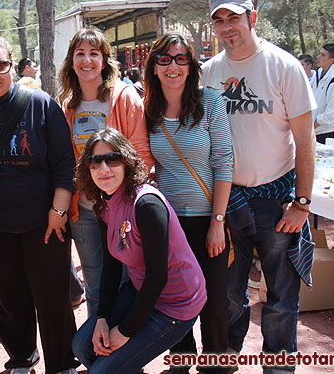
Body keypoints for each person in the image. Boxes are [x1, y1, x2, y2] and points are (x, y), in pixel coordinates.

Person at [200, 0, 316, 372]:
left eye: (233, 18)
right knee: (229, 294)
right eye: (219, 20)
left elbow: (305, 141)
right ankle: (226, 358)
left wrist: (302, 204)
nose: (226, 27)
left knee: (281, 296)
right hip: (227, 201)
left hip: (276, 202)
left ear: (252, 17)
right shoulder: (210, 72)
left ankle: (278, 366)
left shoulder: (283, 67)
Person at [0, 34, 78, 374]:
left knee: (53, 297)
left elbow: (64, 164)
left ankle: (63, 363)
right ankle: (22, 358)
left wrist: (58, 213)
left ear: (12, 64)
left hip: (45, 221)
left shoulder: (41, 104)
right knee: (7, 299)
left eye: (1, 65)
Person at [71, 128, 206, 373]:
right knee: (82, 347)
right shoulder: (103, 205)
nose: (104, 169)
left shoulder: (146, 204)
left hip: (175, 304)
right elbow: (111, 266)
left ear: (127, 162)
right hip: (141, 290)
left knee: (102, 370)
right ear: (87, 169)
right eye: (95, 161)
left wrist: (125, 331)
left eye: (112, 159)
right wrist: (102, 318)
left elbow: (158, 276)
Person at [144, 32, 233, 373]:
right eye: (164, 59)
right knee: (175, 297)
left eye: (181, 59)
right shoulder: (147, 109)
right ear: (153, 66)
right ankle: (182, 359)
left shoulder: (211, 102)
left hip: (208, 216)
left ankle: (214, 364)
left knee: (213, 300)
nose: (173, 66)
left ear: (191, 66)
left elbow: (224, 162)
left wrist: (218, 222)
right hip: (167, 221)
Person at [59, 26, 153, 318]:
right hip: (85, 209)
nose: (87, 60)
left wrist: (125, 196)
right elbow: (64, 160)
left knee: (126, 280)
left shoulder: (124, 97)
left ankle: (126, 351)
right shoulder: (67, 106)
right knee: (95, 282)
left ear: (104, 60)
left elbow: (142, 155)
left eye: (94, 54)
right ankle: (99, 351)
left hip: (121, 207)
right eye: (80, 54)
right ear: (71, 62)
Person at [311, 44, 334, 144]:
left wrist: (318, 121)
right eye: (319, 54)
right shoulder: (318, 73)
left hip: (324, 133)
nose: (318, 57)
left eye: (323, 55)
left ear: (331, 60)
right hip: (312, 131)